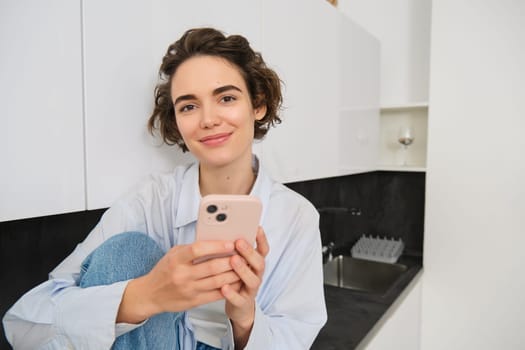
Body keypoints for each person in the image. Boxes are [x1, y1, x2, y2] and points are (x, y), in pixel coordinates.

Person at [3, 27, 327, 349]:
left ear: (258, 105)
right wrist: (145, 295)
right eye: (188, 106)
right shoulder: (150, 201)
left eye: (226, 98)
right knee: (127, 251)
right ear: (176, 122)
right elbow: (24, 327)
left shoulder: (295, 218)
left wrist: (244, 318)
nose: (209, 119)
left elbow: (295, 339)